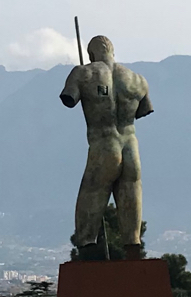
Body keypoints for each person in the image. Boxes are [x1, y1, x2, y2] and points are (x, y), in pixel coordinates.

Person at [60, 34, 153, 259]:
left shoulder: (83, 73)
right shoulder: (137, 79)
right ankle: (133, 245)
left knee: (92, 191)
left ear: (91, 53)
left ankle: (86, 244)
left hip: (104, 145)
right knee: (131, 192)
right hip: (131, 146)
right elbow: (143, 110)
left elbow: (68, 98)